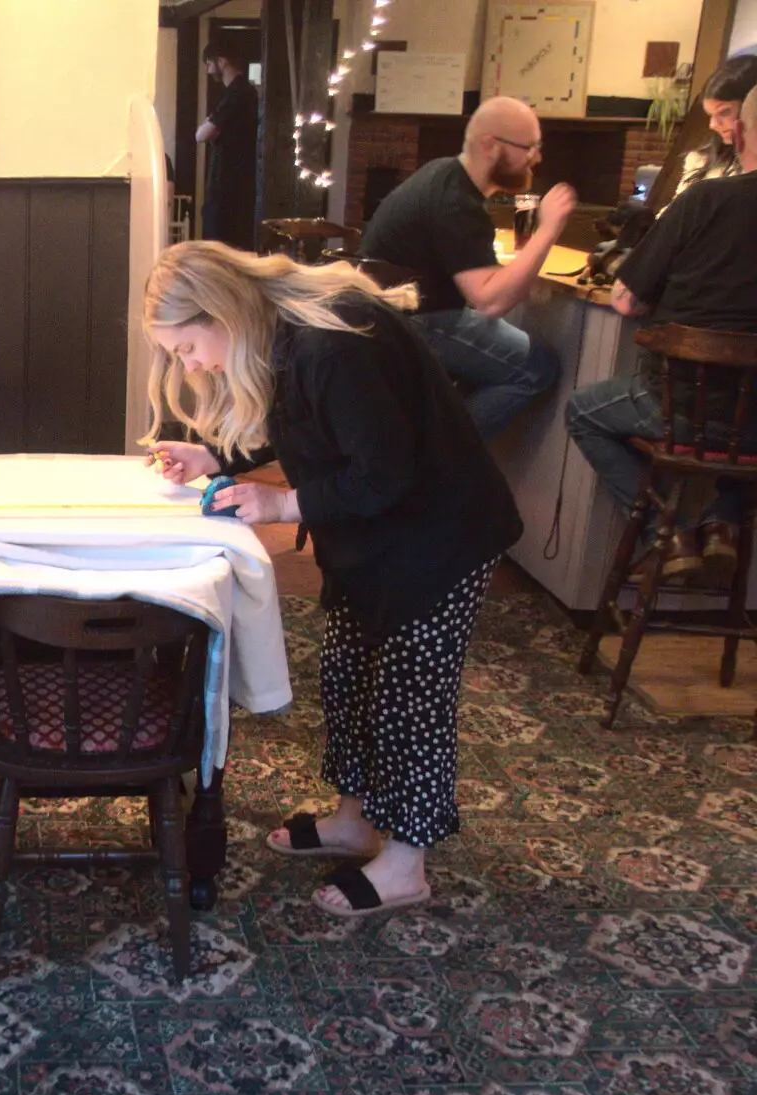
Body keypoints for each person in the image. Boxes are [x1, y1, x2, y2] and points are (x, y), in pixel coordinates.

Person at [143, 242, 522, 917]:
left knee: (412, 696)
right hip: (374, 532)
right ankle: (356, 818)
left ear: (221, 310)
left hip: (440, 533)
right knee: (349, 675)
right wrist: (216, 455)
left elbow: (384, 471)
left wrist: (282, 503)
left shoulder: (331, 341)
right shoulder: (282, 336)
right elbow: (302, 423)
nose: (189, 364)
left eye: (187, 346)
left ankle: (407, 860)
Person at [566, 84, 757, 585]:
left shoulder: (705, 199)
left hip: (679, 410)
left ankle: (670, 533)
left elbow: (626, 300)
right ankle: (725, 521)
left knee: (582, 410)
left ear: (739, 132)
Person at [361, 96, 575, 438]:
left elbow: (483, 280)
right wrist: (548, 229)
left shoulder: (443, 174)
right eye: (529, 147)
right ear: (492, 145)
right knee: (538, 368)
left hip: (389, 317)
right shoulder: (457, 202)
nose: (537, 157)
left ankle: (432, 442)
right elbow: (490, 301)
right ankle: (441, 457)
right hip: (414, 322)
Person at [196, 42, 258, 250]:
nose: (207, 69)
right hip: (232, 179)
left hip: (229, 180)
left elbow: (201, 135)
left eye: (208, 63)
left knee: (220, 241)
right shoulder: (238, 92)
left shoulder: (238, 93)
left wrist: (208, 124)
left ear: (221, 62)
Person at [674, 56, 757, 197]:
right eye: (710, 115)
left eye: (725, 112)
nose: (713, 125)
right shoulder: (701, 160)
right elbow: (676, 213)